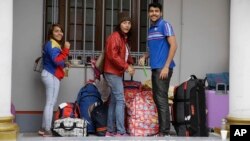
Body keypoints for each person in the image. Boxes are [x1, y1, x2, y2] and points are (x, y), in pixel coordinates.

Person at [139, 2, 177, 136]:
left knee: (160, 99)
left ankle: (164, 130)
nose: (154, 13)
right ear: (149, 13)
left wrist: (166, 66)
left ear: (160, 13)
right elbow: (154, 48)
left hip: (163, 68)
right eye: (151, 11)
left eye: (156, 11)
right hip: (156, 68)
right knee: (158, 98)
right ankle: (163, 129)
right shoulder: (151, 29)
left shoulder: (165, 25)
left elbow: (174, 45)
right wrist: (145, 56)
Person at [103, 11, 135, 137]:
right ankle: (120, 132)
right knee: (120, 100)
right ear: (119, 24)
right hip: (112, 73)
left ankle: (110, 130)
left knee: (114, 101)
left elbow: (124, 54)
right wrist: (127, 66)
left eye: (129, 23)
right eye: (124, 22)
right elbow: (112, 56)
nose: (127, 25)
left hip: (115, 72)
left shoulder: (122, 38)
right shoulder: (115, 36)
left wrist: (130, 63)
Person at [38, 24, 71, 136]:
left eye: (61, 31)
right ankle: (47, 130)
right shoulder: (52, 44)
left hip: (50, 74)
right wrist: (66, 49)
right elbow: (56, 60)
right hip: (50, 75)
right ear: (51, 33)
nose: (60, 33)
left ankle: (43, 128)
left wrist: (64, 63)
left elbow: (57, 60)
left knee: (49, 103)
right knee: (50, 103)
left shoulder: (52, 44)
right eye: (56, 31)